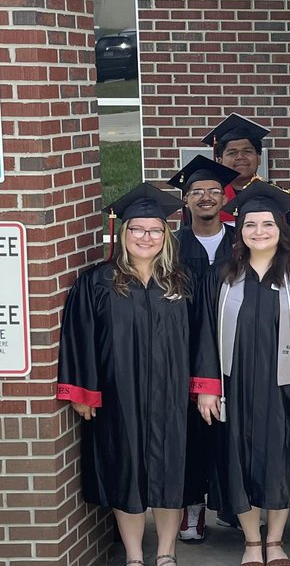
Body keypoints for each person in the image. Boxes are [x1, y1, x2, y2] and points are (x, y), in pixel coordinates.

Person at [57, 183, 192, 566]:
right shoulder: (97, 282)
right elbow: (79, 336)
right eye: (137, 229)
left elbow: (202, 338)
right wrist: (83, 392)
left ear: (165, 235)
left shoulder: (182, 281)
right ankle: (134, 555)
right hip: (119, 394)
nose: (145, 237)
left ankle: (166, 552)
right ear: (123, 232)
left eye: (154, 230)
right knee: (124, 471)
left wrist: (204, 387)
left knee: (170, 471)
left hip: (171, 395)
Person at [193, 180, 290, 566]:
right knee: (238, 461)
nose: (259, 231)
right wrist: (206, 387)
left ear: (281, 229)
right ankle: (252, 541)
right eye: (250, 225)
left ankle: (275, 540)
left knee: (280, 460)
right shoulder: (221, 275)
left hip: (286, 386)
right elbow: (204, 331)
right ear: (240, 231)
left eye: (267, 224)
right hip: (233, 387)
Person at [166, 155, 238, 543]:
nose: (206, 197)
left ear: (224, 198)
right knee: (192, 434)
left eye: (213, 191)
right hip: (186, 352)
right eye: (197, 192)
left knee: (233, 431)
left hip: (237, 351)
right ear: (186, 200)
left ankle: (233, 504)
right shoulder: (171, 245)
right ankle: (192, 508)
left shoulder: (241, 240)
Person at [201, 113, 271, 218]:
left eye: (247, 151)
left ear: (259, 158)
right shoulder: (205, 201)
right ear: (220, 161)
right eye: (232, 153)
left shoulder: (276, 197)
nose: (240, 157)